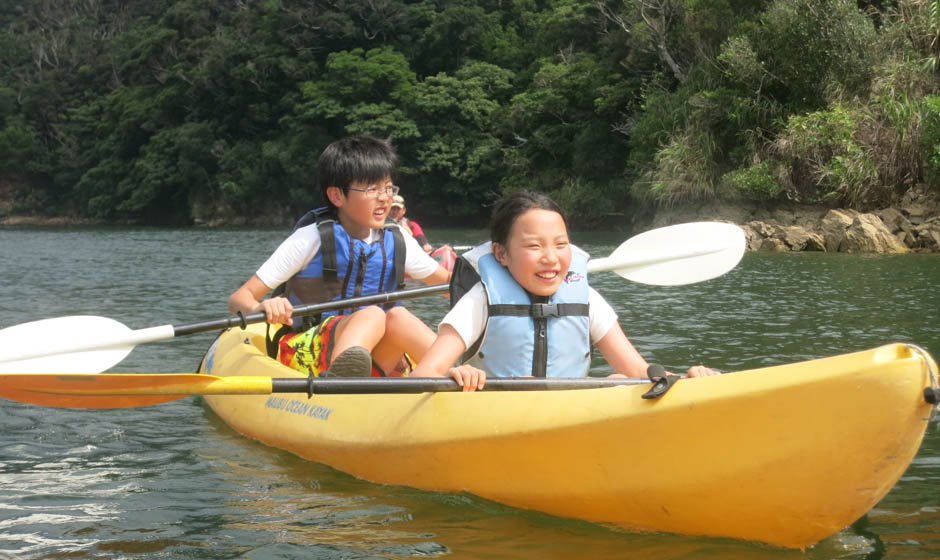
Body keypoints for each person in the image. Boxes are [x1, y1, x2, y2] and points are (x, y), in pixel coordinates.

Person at [411, 190, 720, 391]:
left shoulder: (586, 299)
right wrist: (455, 375)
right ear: (501, 253)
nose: (551, 258)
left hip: (566, 413)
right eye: (534, 246)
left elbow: (640, 371)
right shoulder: (480, 301)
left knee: (620, 381)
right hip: (497, 415)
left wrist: (687, 381)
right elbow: (424, 374)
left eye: (561, 244)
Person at [228, 136, 451, 378]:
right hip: (308, 349)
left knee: (399, 317)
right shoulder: (310, 239)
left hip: (376, 355)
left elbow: (451, 287)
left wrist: (478, 276)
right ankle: (343, 377)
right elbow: (239, 299)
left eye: (388, 188)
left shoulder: (398, 239)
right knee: (373, 314)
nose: (384, 197)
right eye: (372, 189)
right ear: (336, 196)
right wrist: (261, 306)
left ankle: (453, 373)